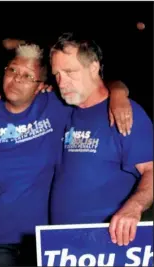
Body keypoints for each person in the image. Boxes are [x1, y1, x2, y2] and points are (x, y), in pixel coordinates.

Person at [0, 41, 132, 266]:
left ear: (40, 86)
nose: (17, 79)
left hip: (43, 240)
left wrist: (119, 92)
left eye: (27, 76)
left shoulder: (56, 107)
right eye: (13, 70)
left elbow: (94, 86)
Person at [49, 32, 153, 246]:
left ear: (94, 67)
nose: (62, 82)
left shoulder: (126, 113)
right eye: (57, 74)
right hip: (61, 243)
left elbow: (151, 170)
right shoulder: (64, 109)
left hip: (107, 244)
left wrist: (134, 207)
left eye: (69, 71)